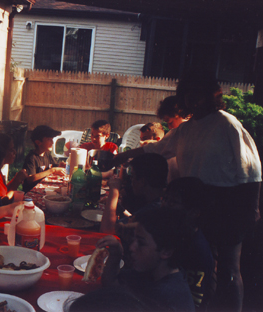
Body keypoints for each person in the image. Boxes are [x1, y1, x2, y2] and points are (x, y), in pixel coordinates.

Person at [111, 70, 262, 311]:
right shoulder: (185, 130)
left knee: (229, 268)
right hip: (192, 203)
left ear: (210, 96)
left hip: (228, 203)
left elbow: (252, 170)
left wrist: (252, 208)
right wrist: (119, 158)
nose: (193, 100)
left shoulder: (227, 122)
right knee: (196, 263)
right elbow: (155, 150)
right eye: (188, 95)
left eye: (199, 95)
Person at [97, 207, 195, 312]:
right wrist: (116, 255)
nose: (131, 247)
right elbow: (111, 285)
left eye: (141, 243)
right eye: (134, 239)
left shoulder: (167, 299)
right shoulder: (148, 272)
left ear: (166, 252)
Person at [162, 177, 216, 311]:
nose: (165, 205)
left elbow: (192, 302)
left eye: (173, 202)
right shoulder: (172, 232)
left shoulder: (198, 251)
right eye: (165, 199)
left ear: (194, 213)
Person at [100, 153, 167, 234]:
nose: (131, 181)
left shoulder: (153, 212)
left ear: (142, 182)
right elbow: (135, 219)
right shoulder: (158, 203)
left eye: (132, 176)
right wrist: (123, 211)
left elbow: (107, 230)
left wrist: (114, 190)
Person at [0, 133, 28, 203]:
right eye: (11, 150)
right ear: (0, 151)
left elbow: (4, 191)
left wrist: (16, 179)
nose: (15, 152)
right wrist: (17, 181)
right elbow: (2, 203)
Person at [22, 125, 66, 192]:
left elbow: (54, 167)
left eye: (52, 139)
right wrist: (52, 170)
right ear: (38, 142)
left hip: (44, 188)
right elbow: (30, 178)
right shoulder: (32, 157)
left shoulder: (47, 154)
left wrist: (61, 166)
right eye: (49, 139)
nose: (52, 142)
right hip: (32, 192)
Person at [156, 95, 188, 182]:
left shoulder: (182, 131)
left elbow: (157, 149)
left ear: (180, 115)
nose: (169, 127)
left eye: (170, 122)